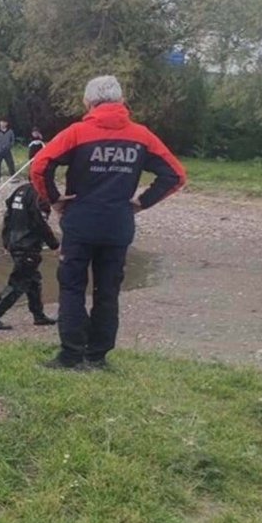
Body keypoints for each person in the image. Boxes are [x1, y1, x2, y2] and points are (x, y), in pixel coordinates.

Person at [31, 75, 186, 369]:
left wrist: (54, 199)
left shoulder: (77, 132)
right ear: (121, 101)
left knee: (72, 288)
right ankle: (98, 356)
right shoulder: (142, 136)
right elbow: (175, 175)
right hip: (118, 225)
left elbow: (40, 165)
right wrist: (142, 202)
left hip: (80, 222)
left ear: (88, 102)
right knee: (108, 291)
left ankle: (71, 355)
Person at [0, 183, 59, 330]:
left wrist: (6, 240)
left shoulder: (21, 189)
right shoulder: (37, 193)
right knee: (19, 282)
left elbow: (8, 215)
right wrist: (54, 244)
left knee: (33, 280)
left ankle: (39, 316)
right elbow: (40, 222)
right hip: (27, 245)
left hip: (17, 242)